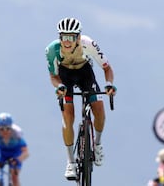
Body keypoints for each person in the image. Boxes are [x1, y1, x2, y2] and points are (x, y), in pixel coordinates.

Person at [45, 17, 116, 180]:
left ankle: (97, 144)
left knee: (99, 109)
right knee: (68, 116)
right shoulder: (52, 50)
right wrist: (59, 87)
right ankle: (70, 162)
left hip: (85, 73)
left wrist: (109, 84)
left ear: (78, 38)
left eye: (71, 37)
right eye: (64, 37)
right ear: (60, 37)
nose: (67, 41)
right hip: (65, 76)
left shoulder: (88, 44)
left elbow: (107, 67)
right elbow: (53, 76)